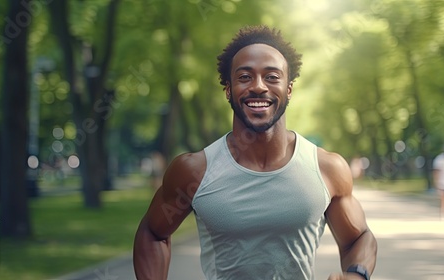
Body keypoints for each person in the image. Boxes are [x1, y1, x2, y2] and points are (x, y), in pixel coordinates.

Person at [133, 25, 377, 280]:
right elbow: (153, 233)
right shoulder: (194, 170)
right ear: (228, 90)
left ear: (289, 89)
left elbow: (358, 238)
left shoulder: (327, 168)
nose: (259, 86)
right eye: (245, 77)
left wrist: (357, 274)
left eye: (272, 77)